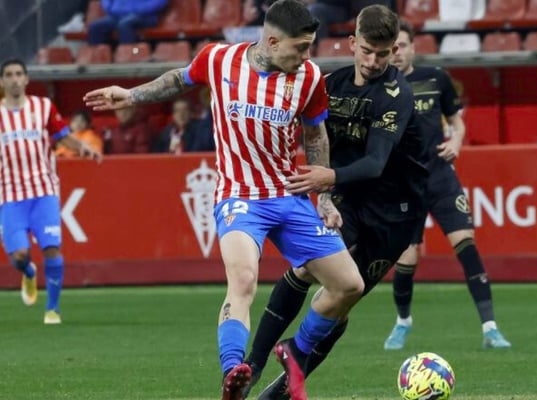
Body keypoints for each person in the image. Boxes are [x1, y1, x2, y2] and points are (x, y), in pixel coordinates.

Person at [83, 1, 365, 400]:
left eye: (309, 47)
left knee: (350, 285)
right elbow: (178, 80)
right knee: (244, 279)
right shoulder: (218, 59)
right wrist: (131, 95)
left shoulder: (310, 77)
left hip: (289, 195)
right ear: (272, 41)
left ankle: (296, 351)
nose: (307, 55)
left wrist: (324, 198)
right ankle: (234, 371)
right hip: (239, 196)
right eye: (300, 47)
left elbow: (315, 135)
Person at [242, 5, 429, 399]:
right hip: (347, 200)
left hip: (394, 213)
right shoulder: (329, 83)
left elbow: (376, 163)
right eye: (367, 51)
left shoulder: (397, 95)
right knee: (306, 270)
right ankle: (253, 366)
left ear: (394, 51)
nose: (373, 62)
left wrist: (327, 176)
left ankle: (278, 390)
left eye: (382, 54)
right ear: (352, 43)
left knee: (342, 299)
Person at [383, 20, 511, 350]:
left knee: (465, 243)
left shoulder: (436, 78)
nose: (397, 53)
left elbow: (457, 122)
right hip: (404, 184)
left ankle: (490, 329)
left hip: (440, 176)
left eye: (402, 46)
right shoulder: (379, 87)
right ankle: (403, 321)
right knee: (407, 260)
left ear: (413, 48)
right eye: (392, 47)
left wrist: (456, 141)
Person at [0, 59, 101, 324]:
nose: (14, 79)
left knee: (52, 248)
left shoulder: (43, 107)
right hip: (10, 195)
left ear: (26, 79)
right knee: (19, 256)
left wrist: (83, 148)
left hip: (43, 191)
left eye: (18, 74)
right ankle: (28, 273)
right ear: (2, 81)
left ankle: (52, 309)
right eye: (9, 74)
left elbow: (62, 136)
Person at [87, 0, 169, 45]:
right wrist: (111, 8)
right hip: (117, 15)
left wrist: (136, 10)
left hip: (145, 15)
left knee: (125, 24)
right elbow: (107, 2)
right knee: (96, 26)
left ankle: (127, 57)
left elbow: (160, 2)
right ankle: (98, 59)